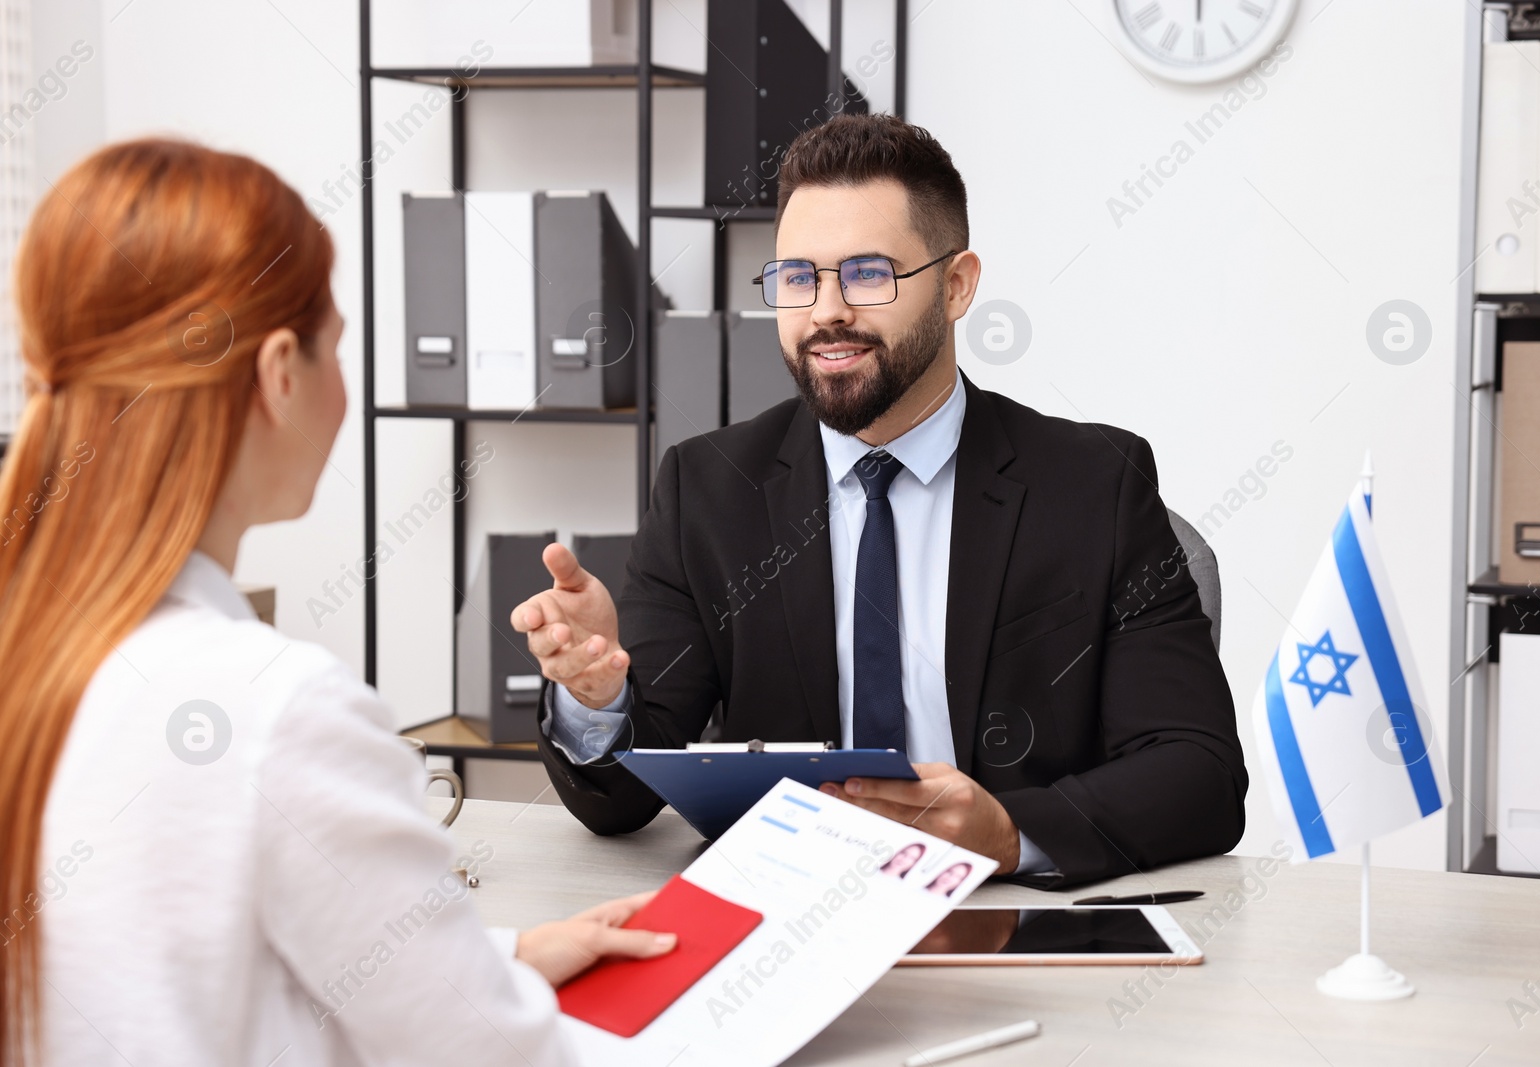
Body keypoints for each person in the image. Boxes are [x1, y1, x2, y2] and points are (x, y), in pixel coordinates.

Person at [0, 139, 674, 1067]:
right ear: (281, 371)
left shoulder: (39, 651)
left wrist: (502, 955)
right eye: (337, 346)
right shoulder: (276, 708)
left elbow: (173, 963)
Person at [512, 113, 1248, 889]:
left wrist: (1008, 831)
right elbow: (623, 800)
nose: (826, 310)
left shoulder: (1096, 483)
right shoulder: (707, 489)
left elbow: (1197, 772)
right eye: (798, 277)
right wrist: (598, 696)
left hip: (1015, 916)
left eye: (867, 273)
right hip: (785, 917)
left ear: (957, 285)